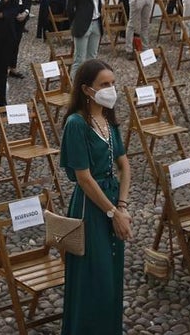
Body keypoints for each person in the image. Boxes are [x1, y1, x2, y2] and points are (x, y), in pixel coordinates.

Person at [59, 59, 131, 335]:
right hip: (91, 205)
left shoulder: (109, 120)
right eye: (104, 85)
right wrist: (113, 213)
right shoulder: (76, 124)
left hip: (112, 200)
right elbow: (84, 178)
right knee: (94, 273)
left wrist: (122, 206)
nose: (111, 89)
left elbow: (124, 165)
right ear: (88, 90)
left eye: (112, 83)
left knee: (111, 273)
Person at [67, 0, 105, 77]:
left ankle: (89, 82)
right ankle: (74, 86)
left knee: (92, 58)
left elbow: (98, 2)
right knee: (79, 59)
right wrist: (75, 22)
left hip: (96, 23)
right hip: (82, 24)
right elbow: (70, 5)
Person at [6, 0, 32, 77]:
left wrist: (26, 11)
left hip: (22, 11)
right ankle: (5, 65)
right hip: (10, 13)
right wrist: (14, 13)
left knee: (17, 40)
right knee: (9, 40)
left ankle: (13, 67)